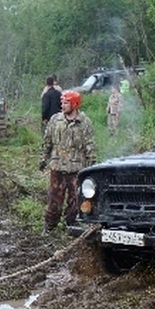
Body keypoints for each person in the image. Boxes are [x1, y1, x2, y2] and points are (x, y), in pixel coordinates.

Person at [40, 90, 96, 235]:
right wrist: (43, 158)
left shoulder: (84, 123)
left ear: (75, 104)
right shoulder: (55, 120)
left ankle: (71, 226)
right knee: (54, 200)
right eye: (62, 103)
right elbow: (47, 141)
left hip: (76, 169)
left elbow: (90, 146)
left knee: (75, 202)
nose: (63, 106)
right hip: (57, 167)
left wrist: (91, 166)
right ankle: (49, 227)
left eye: (66, 103)